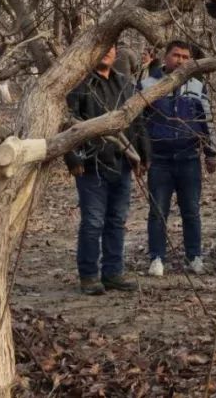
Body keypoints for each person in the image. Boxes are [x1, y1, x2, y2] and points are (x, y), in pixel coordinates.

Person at [63, 45, 150, 295]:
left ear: (116, 53)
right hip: (91, 165)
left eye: (111, 48)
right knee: (92, 222)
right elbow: (65, 123)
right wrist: (72, 158)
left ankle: (113, 272)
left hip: (121, 162)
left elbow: (138, 121)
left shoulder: (125, 84)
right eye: (101, 46)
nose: (106, 52)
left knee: (117, 220)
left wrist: (143, 155)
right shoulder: (78, 85)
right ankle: (89, 275)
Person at [139, 40, 216, 276]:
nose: (180, 61)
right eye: (176, 55)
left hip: (189, 158)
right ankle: (156, 259)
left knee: (191, 211)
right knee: (157, 211)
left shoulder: (196, 85)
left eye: (185, 57)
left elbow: (207, 120)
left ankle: (194, 256)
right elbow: (138, 125)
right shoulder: (147, 84)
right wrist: (142, 156)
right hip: (159, 160)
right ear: (165, 57)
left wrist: (210, 153)